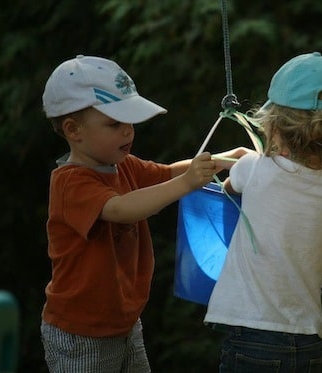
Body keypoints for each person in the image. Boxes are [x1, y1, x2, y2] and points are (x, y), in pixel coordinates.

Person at [40, 54, 245, 372]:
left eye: (130, 122)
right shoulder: (71, 182)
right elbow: (121, 209)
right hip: (81, 334)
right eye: (114, 123)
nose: (128, 132)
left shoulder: (123, 166)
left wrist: (223, 159)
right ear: (73, 130)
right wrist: (189, 182)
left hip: (124, 324)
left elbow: (168, 174)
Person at [204, 52, 322, 372]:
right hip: (308, 337)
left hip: (253, 333)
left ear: (275, 126)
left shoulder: (251, 169)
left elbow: (227, 190)